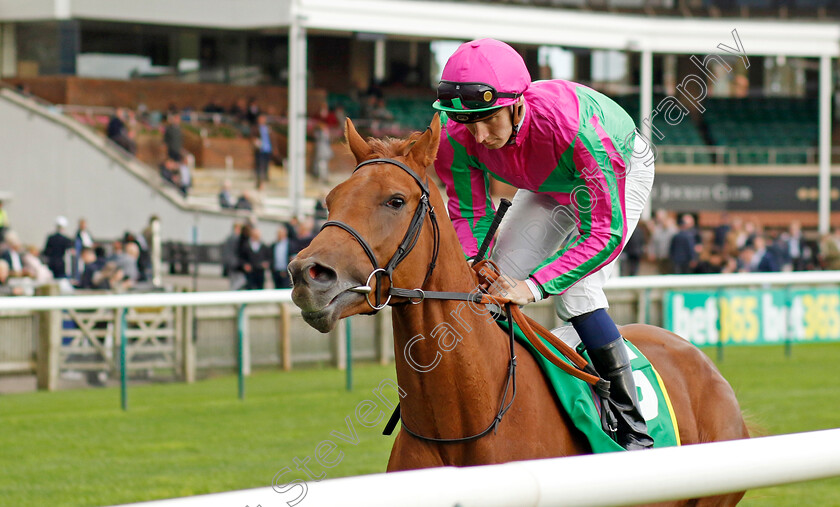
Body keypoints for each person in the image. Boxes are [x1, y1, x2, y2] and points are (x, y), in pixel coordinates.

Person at [432, 39, 655, 450]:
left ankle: (631, 426)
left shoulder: (577, 130)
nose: (479, 136)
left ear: (517, 104)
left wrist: (534, 287)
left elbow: (603, 233)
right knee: (493, 281)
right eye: (468, 122)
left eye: (488, 119)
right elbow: (470, 211)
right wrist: (472, 262)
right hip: (546, 183)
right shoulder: (456, 135)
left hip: (613, 167)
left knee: (577, 292)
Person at [251, 113, 273, 188]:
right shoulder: (256, 128)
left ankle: (265, 176)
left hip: (267, 148)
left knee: (266, 163)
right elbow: (253, 137)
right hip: (260, 148)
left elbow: (272, 138)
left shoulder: (268, 128)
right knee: (259, 163)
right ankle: (259, 177)